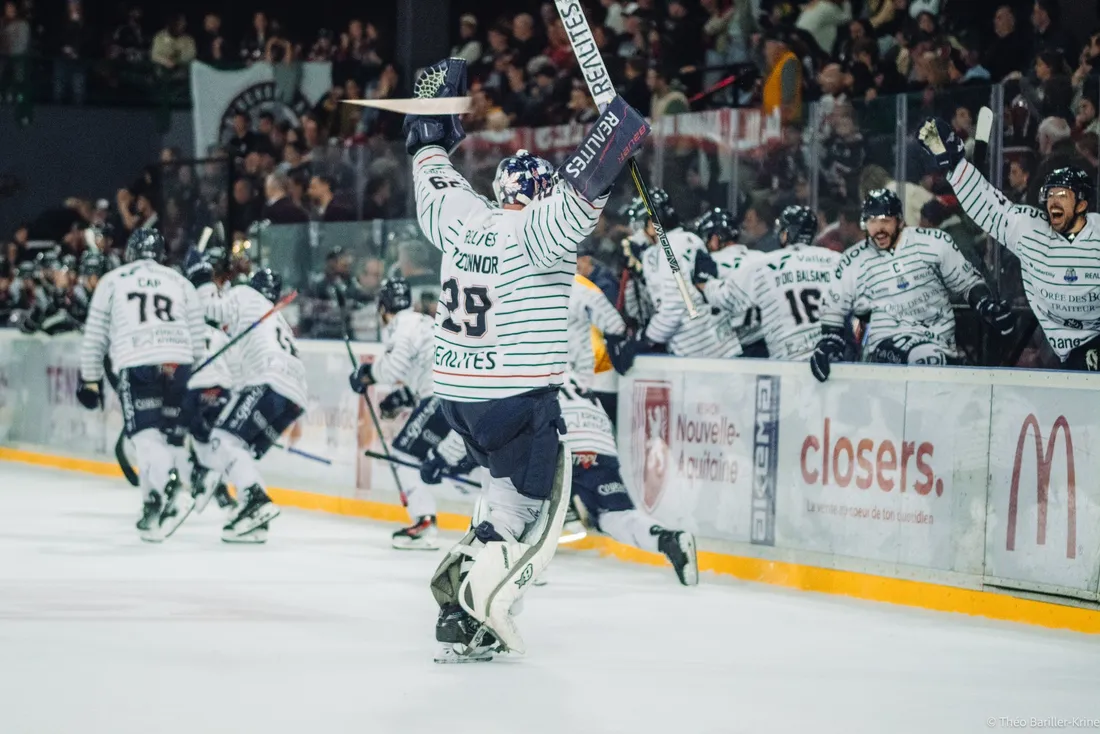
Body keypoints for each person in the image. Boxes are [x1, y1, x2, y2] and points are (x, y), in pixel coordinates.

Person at [404, 58, 647, 662]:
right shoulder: (542, 230)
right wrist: (623, 128)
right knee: (530, 518)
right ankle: (474, 603)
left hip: (456, 397)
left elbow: (428, 158)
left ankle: (464, 594)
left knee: (500, 501)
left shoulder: (461, 217)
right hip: (515, 400)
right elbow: (595, 170)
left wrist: (432, 115)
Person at [919, 116, 1100, 370]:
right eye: (1050, 197)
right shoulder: (1028, 227)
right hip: (1061, 352)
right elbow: (990, 206)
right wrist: (956, 167)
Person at [77, 229, 205, 542]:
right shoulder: (180, 282)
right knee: (162, 439)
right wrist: (196, 376)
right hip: (179, 363)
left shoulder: (113, 280)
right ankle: (152, 504)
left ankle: (170, 486)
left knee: (145, 437)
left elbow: (95, 336)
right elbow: (198, 336)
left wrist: (90, 379)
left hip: (140, 362)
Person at [809, 189, 1013, 380]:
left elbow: (968, 283)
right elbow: (833, 310)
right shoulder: (852, 260)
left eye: (885, 222)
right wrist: (829, 341)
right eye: (871, 223)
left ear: (900, 221)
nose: (878, 230)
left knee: (930, 358)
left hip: (939, 347)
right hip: (883, 357)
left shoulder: (934, 242)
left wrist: (985, 304)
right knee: (922, 356)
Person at [349, 276, 476, 550]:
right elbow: (421, 370)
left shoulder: (401, 325)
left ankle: (424, 522)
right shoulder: (425, 322)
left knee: (404, 454)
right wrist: (402, 398)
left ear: (383, 307)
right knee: (457, 458)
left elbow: (393, 368)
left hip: (441, 396)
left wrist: (366, 375)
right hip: (461, 394)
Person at [557, 373, 697, 585]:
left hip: (566, 438)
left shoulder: (518, 358)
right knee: (615, 514)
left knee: (513, 495)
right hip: (600, 440)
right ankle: (666, 539)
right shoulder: (563, 365)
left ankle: (521, 564)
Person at [199, 268, 306, 541]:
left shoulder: (246, 295)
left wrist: (200, 278)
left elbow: (211, 307)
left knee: (224, 440)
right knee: (240, 447)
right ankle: (253, 516)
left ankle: (255, 499)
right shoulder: (275, 318)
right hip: (293, 396)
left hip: (270, 381)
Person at [611, 190, 742, 373]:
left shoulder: (666, 249)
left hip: (699, 354)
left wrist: (644, 340)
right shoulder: (688, 239)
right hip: (722, 345)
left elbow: (674, 307)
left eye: (639, 226)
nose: (636, 234)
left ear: (651, 224)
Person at [697, 205, 840, 361]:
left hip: (783, 356)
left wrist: (705, 282)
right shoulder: (835, 259)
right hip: (829, 354)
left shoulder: (767, 263)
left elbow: (723, 297)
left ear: (785, 234)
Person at [180, 243, 242, 530]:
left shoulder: (203, 298)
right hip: (221, 377)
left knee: (203, 437)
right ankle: (213, 482)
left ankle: (207, 479)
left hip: (207, 376)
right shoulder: (207, 296)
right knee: (210, 437)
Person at [692, 206, 768, 358]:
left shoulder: (711, 263)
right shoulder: (762, 258)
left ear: (715, 239)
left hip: (729, 348)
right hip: (765, 344)